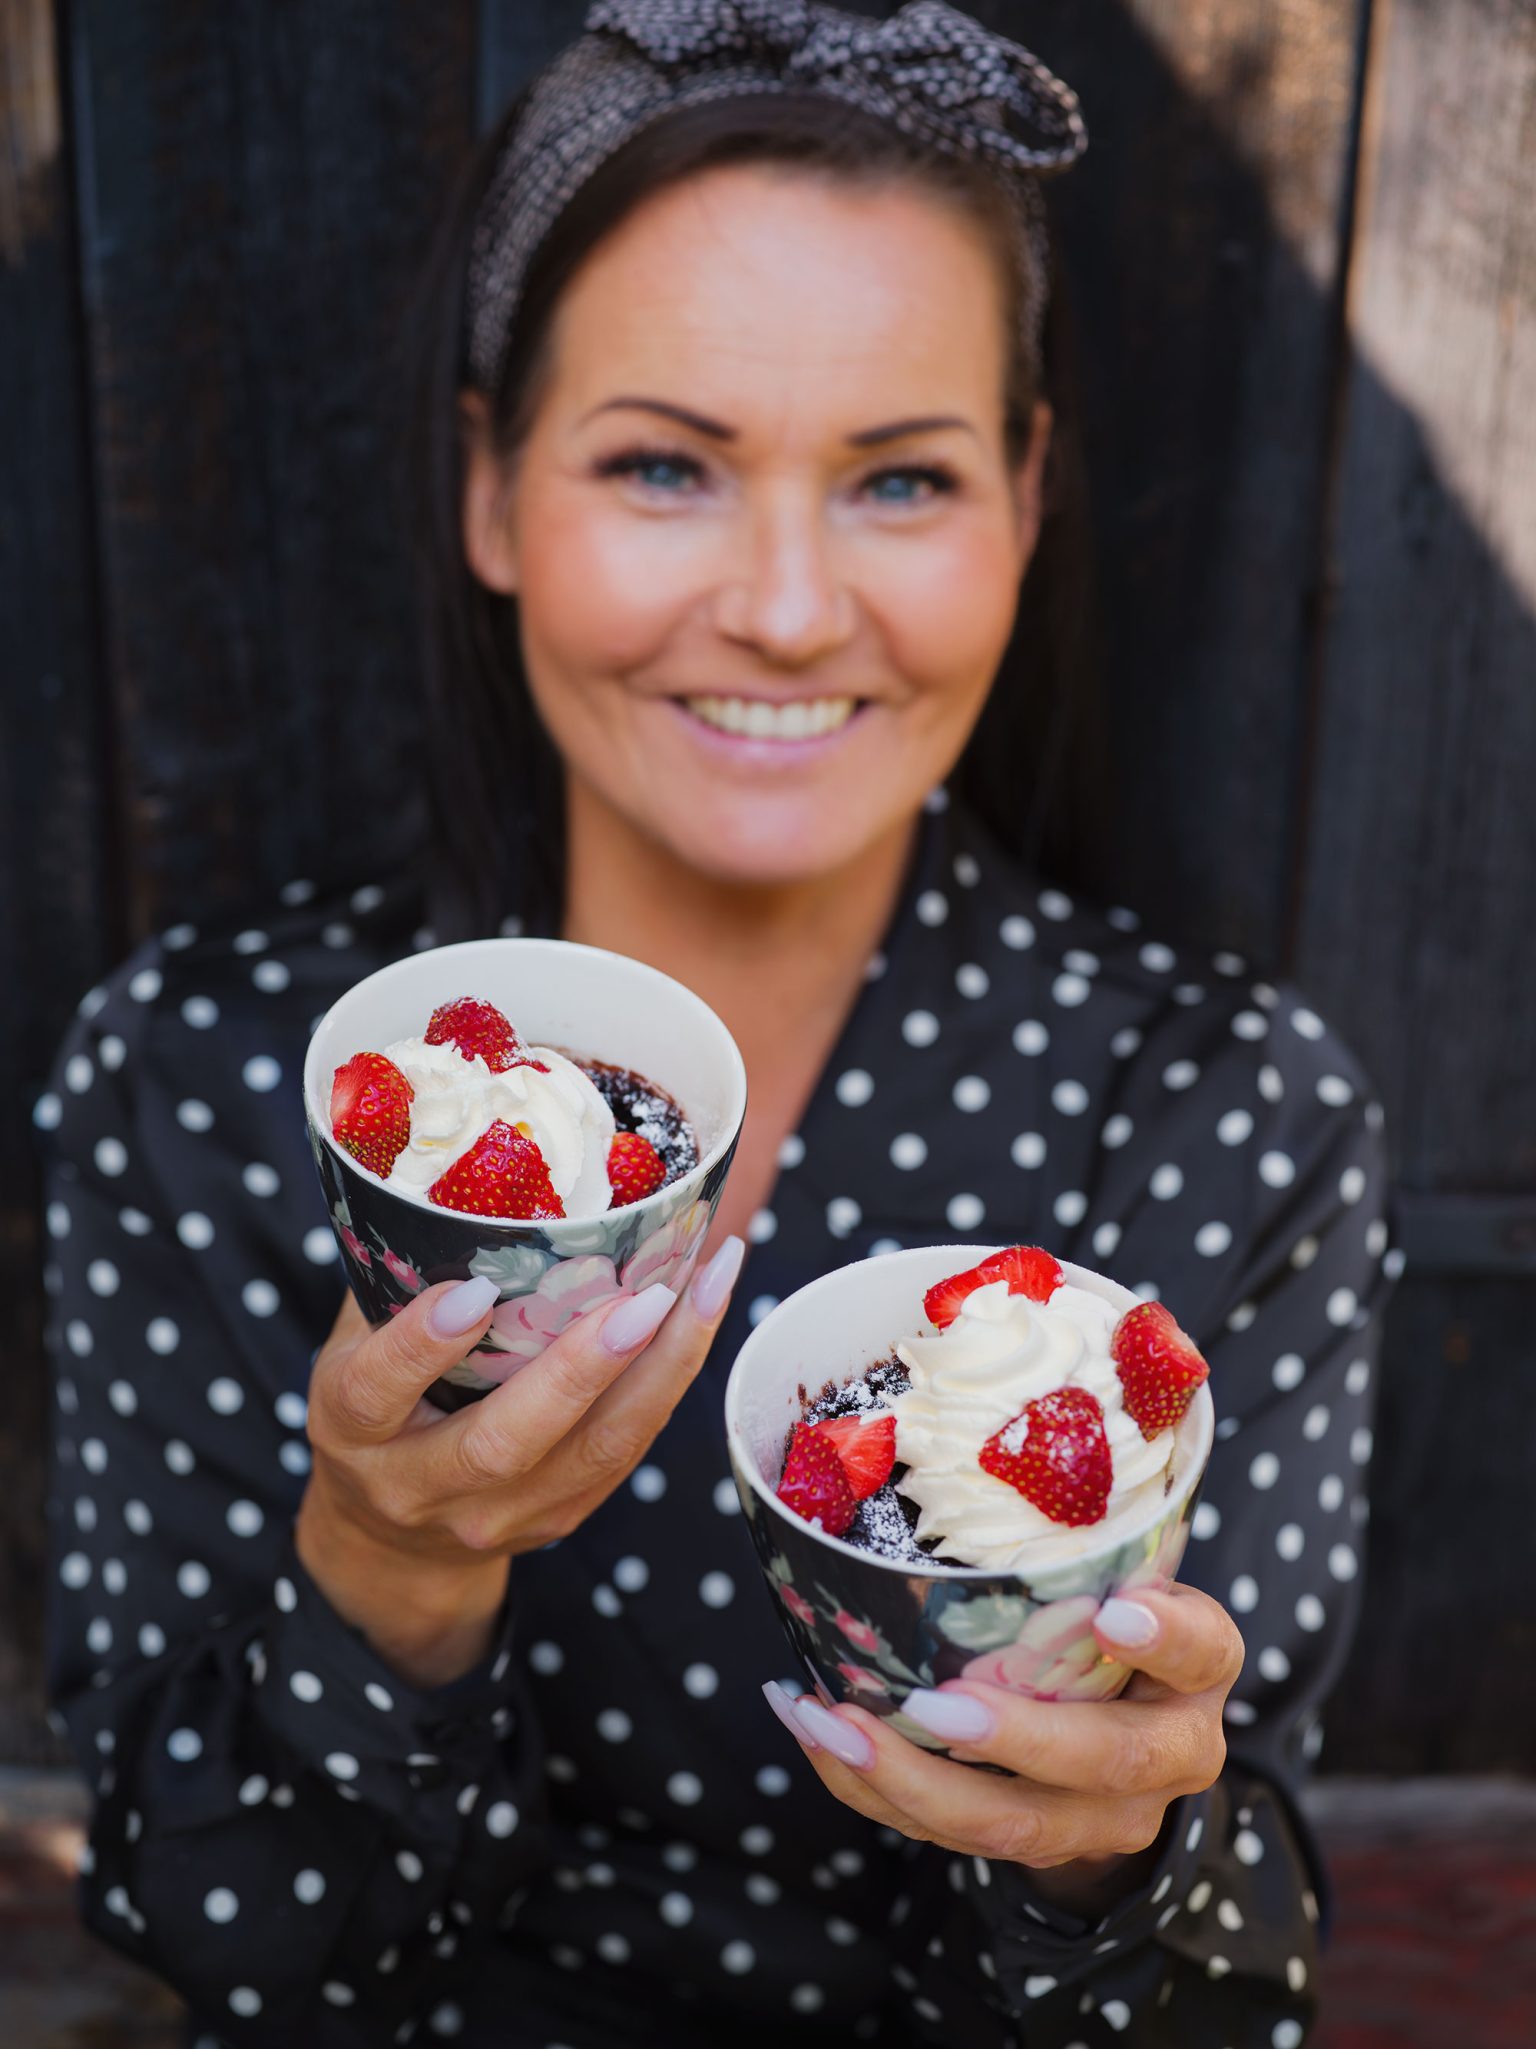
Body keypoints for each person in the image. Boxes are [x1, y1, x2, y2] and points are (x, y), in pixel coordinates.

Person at [38, 4, 1395, 2044]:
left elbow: (1227, 1997)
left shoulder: (1216, 1117)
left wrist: (1115, 1849)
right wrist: (383, 1573)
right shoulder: (216, 1082)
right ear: (491, 488)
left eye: (901, 477)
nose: (778, 602)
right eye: (663, 462)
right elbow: (224, 1939)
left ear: (1024, 502)